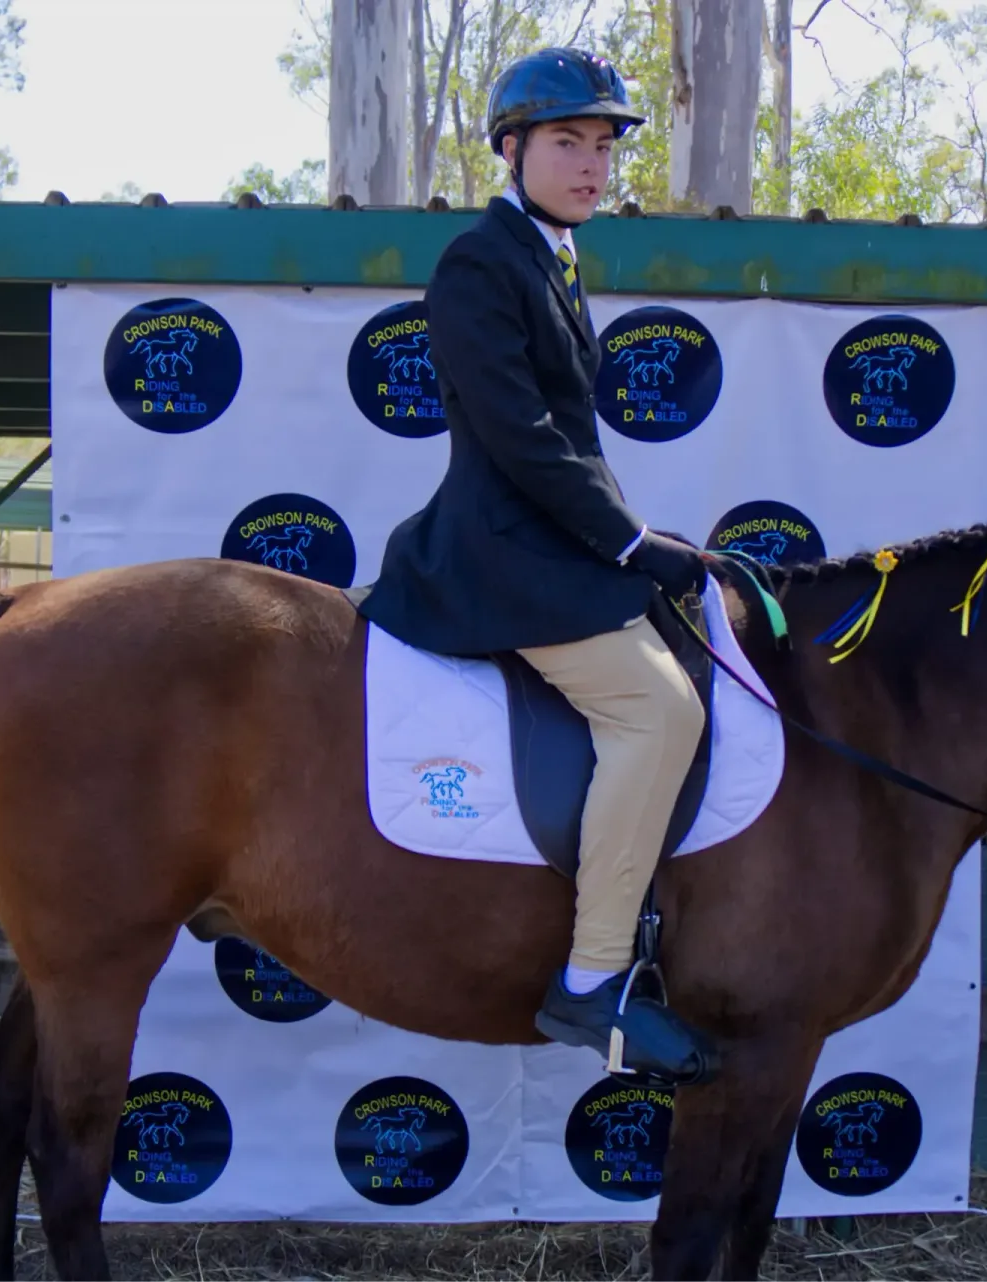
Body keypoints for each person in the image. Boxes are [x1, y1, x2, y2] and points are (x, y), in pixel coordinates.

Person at [347, 47, 713, 1080]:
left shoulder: (553, 254)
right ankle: (593, 979)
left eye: (602, 146)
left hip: (554, 542)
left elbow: (573, 444)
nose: (592, 165)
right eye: (567, 143)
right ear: (511, 149)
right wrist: (632, 542)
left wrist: (641, 539)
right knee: (662, 711)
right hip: (501, 552)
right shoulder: (481, 261)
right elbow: (521, 439)